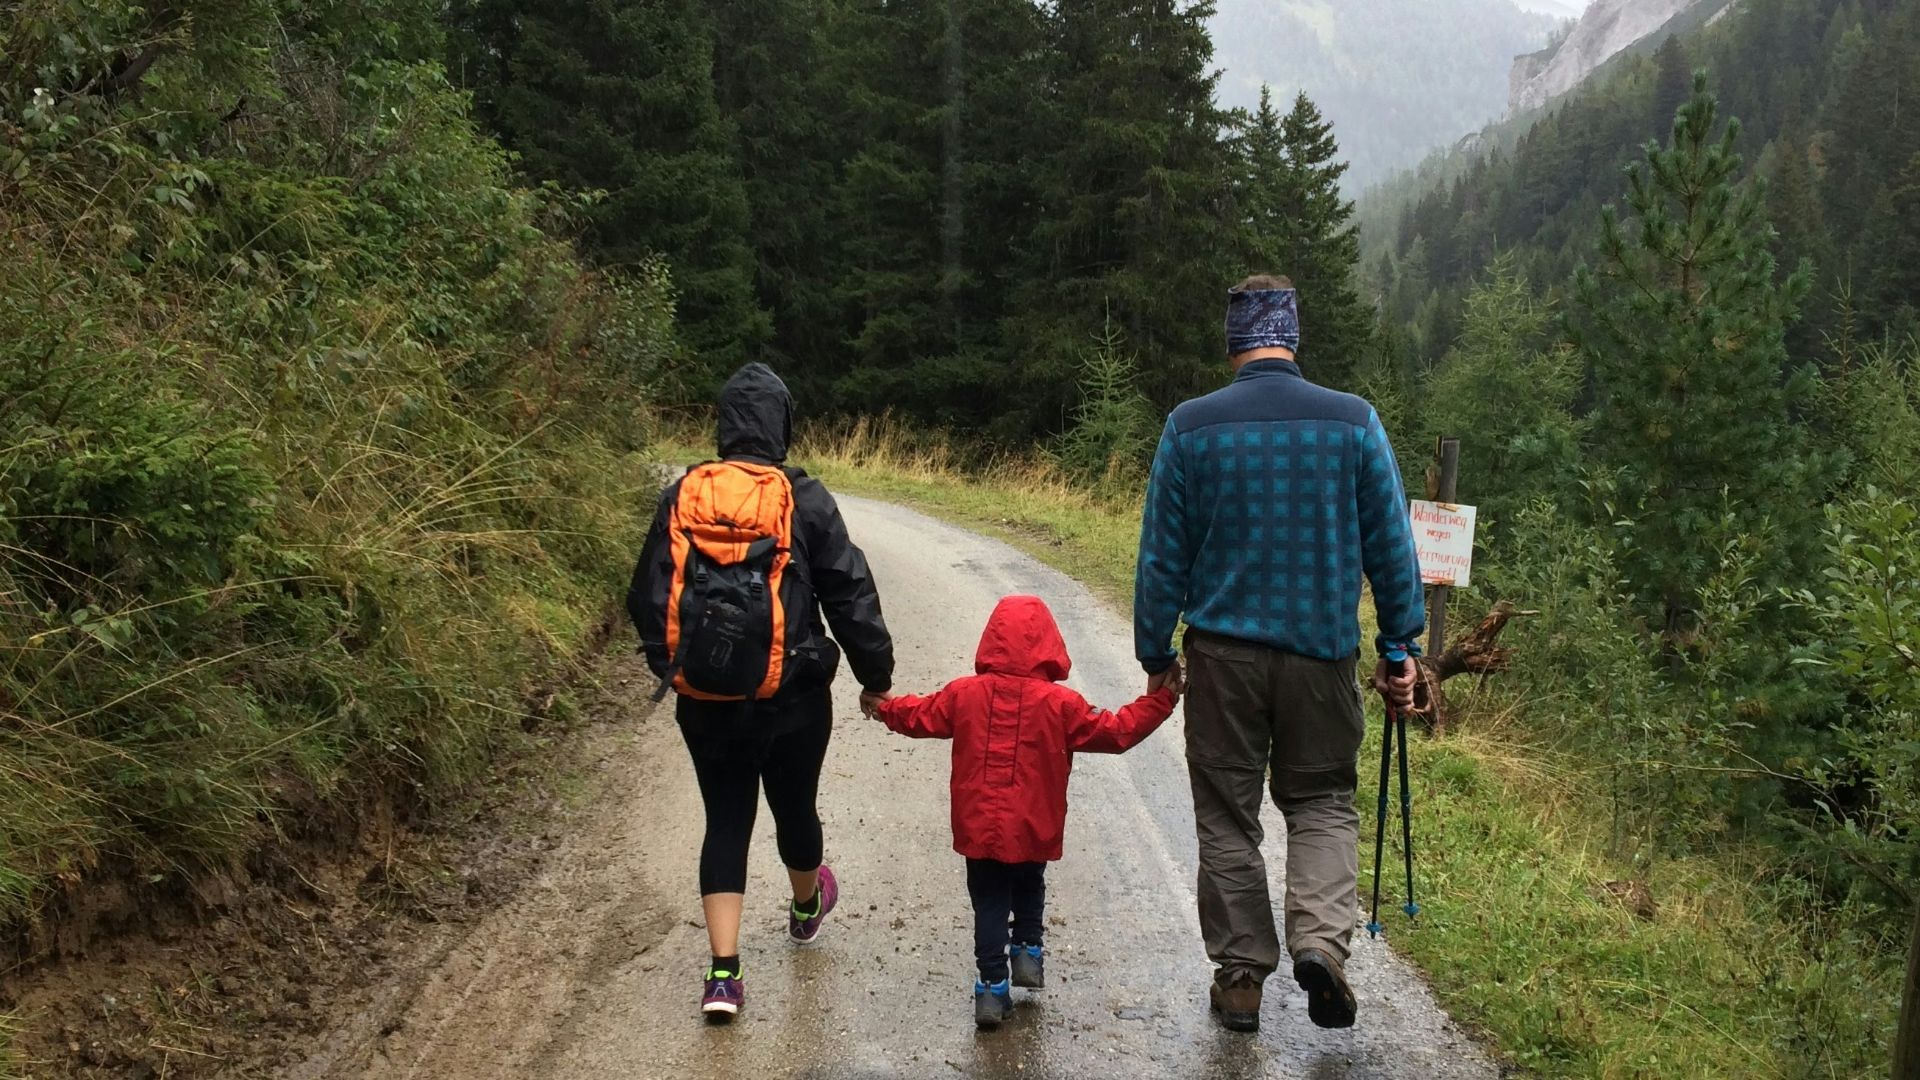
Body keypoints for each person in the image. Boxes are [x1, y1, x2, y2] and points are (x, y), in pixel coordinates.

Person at [1133, 275, 1424, 1034]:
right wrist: (1401, 647)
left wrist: (1154, 650)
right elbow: (1392, 549)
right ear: (1292, 336)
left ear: (1232, 341)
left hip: (1224, 660)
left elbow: (1161, 558)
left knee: (1228, 816)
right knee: (1323, 801)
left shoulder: (1189, 428)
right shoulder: (1354, 423)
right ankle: (1320, 946)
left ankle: (1239, 980)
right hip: (1322, 655)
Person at [628, 362, 895, 1023]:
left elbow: (646, 595)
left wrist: (678, 667)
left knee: (725, 821)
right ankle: (806, 907)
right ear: (782, 425)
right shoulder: (802, 497)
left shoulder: (683, 494)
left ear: (723, 426)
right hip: (793, 698)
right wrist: (875, 677)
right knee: (794, 808)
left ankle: (723, 974)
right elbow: (849, 592)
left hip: (706, 701)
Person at [867, 594, 1178, 1030]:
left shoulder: (964, 695)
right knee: (1030, 880)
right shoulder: (1062, 705)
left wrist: (884, 707)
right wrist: (1160, 701)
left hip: (979, 825)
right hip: (1035, 822)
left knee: (989, 900)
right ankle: (1029, 950)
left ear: (991, 641)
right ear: (1049, 644)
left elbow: (921, 714)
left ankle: (992, 987)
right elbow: (1116, 730)